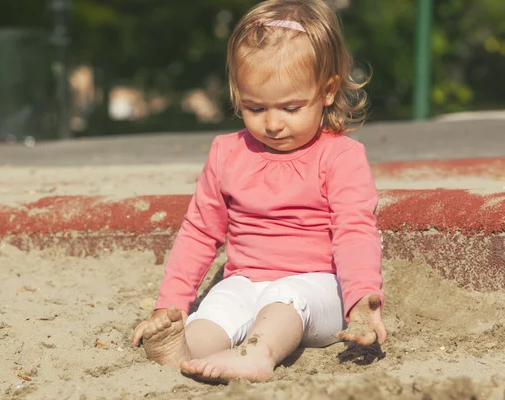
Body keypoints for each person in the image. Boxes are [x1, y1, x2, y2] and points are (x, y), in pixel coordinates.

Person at [132, 0, 386, 383]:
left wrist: (361, 300)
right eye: (254, 107)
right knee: (218, 308)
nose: (272, 124)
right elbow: (200, 231)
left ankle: (259, 353)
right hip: (245, 280)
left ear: (328, 90)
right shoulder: (227, 153)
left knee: (285, 299)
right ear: (238, 94)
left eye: (291, 107)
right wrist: (171, 304)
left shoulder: (340, 156)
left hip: (316, 290)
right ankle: (182, 351)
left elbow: (354, 230)